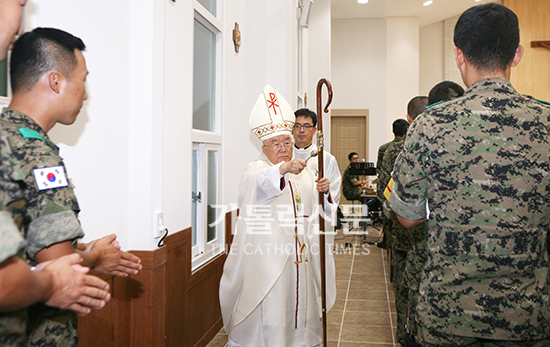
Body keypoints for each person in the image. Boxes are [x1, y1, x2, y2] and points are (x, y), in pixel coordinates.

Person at [391, 3, 550, 346]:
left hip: (448, 315)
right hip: (525, 317)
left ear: (459, 56)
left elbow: (405, 216)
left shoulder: (430, 124)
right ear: (517, 54)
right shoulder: (546, 123)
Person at [2, 27, 142, 347]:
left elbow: (24, 247)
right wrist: (95, 257)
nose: (85, 92)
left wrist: (86, 250)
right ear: (56, 81)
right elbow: (59, 264)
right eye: (82, 78)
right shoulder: (37, 155)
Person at [219, 85, 336, 347]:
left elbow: (324, 212)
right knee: (270, 313)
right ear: (263, 147)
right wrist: (283, 169)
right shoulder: (256, 171)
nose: (283, 148)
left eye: (287, 142)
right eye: (276, 143)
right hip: (269, 262)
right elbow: (262, 185)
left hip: (301, 258)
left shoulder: (305, 173)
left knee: (300, 310)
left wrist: (325, 193)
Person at [378, 97, 427, 346]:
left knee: (404, 291)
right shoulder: (455, 143)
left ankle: (404, 337)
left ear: (409, 119)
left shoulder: (395, 151)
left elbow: (385, 195)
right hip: (440, 241)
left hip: (402, 234)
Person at [292, 107, 341, 231]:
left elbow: (334, 194)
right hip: (290, 219)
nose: (301, 130)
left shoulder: (326, 159)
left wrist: (326, 191)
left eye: (306, 126)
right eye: (297, 126)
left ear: (314, 130)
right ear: (291, 130)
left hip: (316, 220)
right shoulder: (285, 158)